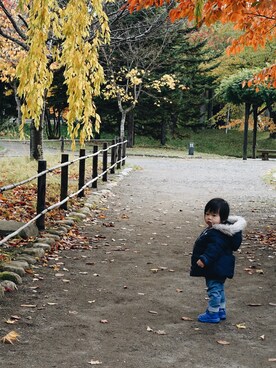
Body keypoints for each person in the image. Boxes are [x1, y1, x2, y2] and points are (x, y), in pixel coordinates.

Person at [190, 198, 246, 323]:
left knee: (213, 289)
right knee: (219, 288)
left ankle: (212, 313)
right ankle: (221, 310)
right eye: (207, 214)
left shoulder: (217, 233)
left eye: (214, 215)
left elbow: (214, 249)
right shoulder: (218, 230)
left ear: (223, 218)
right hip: (220, 266)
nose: (209, 217)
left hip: (215, 267)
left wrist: (204, 259)